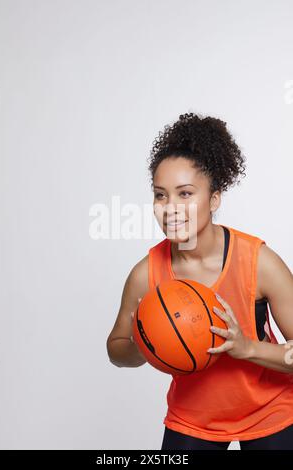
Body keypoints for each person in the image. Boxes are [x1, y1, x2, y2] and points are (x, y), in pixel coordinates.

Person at [106, 112, 293, 450]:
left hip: (272, 412)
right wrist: (145, 342)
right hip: (192, 419)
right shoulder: (145, 275)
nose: (170, 208)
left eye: (185, 193)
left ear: (214, 199)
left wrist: (247, 348)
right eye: (160, 195)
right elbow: (116, 349)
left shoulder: (259, 262)